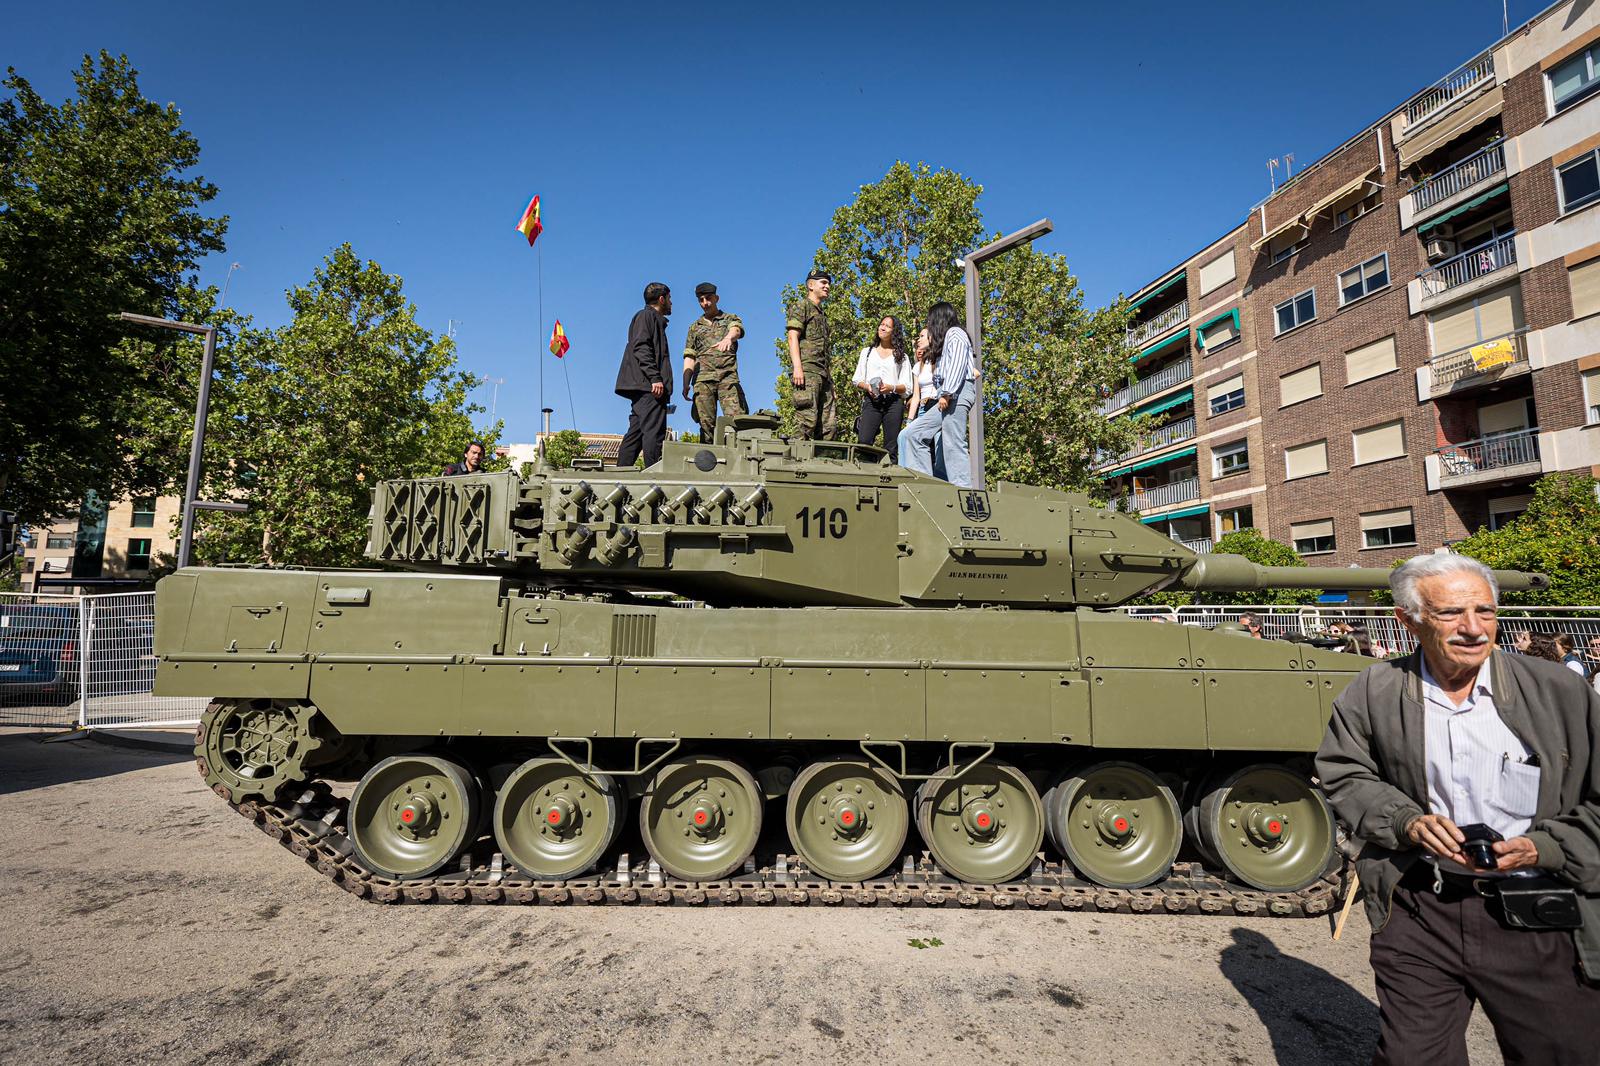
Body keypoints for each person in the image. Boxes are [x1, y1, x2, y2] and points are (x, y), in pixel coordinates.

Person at [1315, 554, 1600, 1066]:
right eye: (1451, 614)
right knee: (1411, 1058)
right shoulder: (1376, 691)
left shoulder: (1560, 692)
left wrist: (1546, 845)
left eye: (1485, 612)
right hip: (1423, 905)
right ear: (1409, 621)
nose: (1473, 629)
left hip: (1536, 913)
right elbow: (1347, 773)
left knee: (1562, 1052)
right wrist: (1405, 821)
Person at [615, 282, 674, 468]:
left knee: (637, 433)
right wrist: (655, 378)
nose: (672, 303)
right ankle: (654, 478)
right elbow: (641, 347)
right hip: (649, 387)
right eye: (670, 299)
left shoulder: (651, 319)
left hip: (643, 386)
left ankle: (620, 476)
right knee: (654, 434)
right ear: (662, 299)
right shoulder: (646, 316)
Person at [682, 282, 746, 444]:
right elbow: (689, 356)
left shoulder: (730, 318)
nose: (705, 303)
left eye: (708, 298)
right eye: (701, 299)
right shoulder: (694, 328)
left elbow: (736, 330)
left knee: (736, 422)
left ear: (716, 298)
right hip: (703, 381)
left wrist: (728, 338)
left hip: (728, 379)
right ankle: (708, 462)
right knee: (706, 424)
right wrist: (685, 383)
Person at [923, 302, 977, 488]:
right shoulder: (947, 339)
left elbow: (957, 367)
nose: (929, 325)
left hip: (957, 392)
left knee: (954, 442)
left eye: (931, 320)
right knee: (912, 435)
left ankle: (962, 489)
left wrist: (946, 393)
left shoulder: (956, 334)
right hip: (949, 393)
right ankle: (929, 483)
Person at [852, 316, 913, 462]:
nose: (882, 327)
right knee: (864, 442)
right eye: (881, 324)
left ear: (894, 332)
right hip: (872, 401)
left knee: (891, 447)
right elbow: (856, 379)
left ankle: (889, 481)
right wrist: (867, 386)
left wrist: (890, 387)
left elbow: (907, 387)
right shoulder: (867, 352)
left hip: (893, 403)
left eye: (887, 326)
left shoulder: (902, 357)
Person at [786, 269, 835, 440]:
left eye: (828, 283)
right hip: (807, 372)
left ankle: (823, 465)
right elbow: (793, 337)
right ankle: (795, 464)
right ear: (811, 285)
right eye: (823, 282)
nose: (827, 286)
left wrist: (829, 380)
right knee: (806, 421)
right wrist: (798, 368)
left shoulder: (822, 314)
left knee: (828, 426)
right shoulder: (802, 306)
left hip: (823, 375)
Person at [898, 328, 944, 477]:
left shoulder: (941, 360)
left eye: (922, 336)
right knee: (904, 435)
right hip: (923, 408)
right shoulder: (918, 366)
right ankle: (907, 475)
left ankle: (936, 482)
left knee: (938, 448)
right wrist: (909, 420)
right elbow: (916, 395)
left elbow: (973, 373)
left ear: (932, 338)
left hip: (938, 405)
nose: (918, 340)